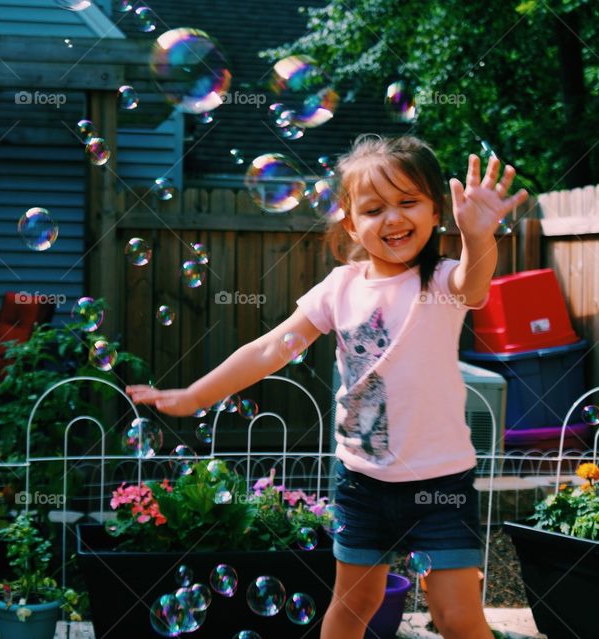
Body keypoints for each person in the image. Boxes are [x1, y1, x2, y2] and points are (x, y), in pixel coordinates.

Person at [127, 135, 527, 639]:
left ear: (434, 211)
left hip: (440, 486)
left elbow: (475, 283)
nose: (394, 218)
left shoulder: (442, 281)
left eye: (409, 202)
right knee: (353, 604)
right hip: (363, 485)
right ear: (350, 222)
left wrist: (479, 236)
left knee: (456, 617)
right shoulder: (339, 287)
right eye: (374, 208)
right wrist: (196, 395)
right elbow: (271, 348)